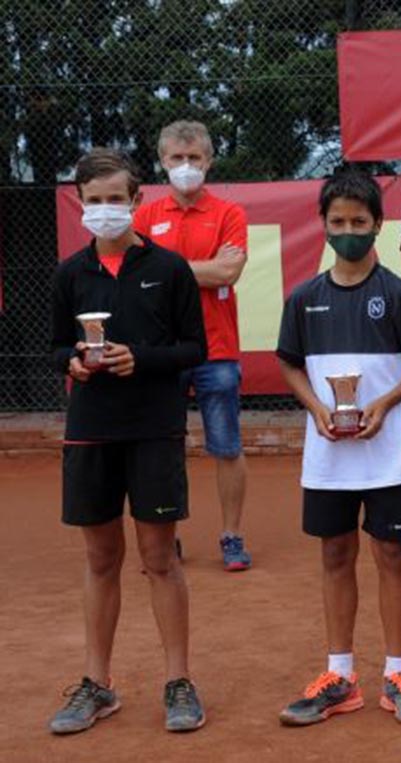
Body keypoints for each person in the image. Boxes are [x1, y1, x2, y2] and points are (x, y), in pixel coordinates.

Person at [48, 148, 208, 734]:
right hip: (90, 431)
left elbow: (195, 349)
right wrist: (76, 364)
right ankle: (98, 684)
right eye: (94, 202)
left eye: (116, 199)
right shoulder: (70, 274)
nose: (106, 210)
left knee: (159, 559)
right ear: (80, 204)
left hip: (153, 429)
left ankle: (179, 681)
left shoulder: (169, 269)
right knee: (99, 559)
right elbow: (58, 347)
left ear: (137, 201)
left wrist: (139, 358)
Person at [275, 172, 401, 727]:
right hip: (327, 457)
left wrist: (386, 403)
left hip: (386, 453)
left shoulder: (397, 293)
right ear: (323, 226)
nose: (348, 232)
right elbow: (290, 364)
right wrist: (317, 409)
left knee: (392, 556)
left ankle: (398, 673)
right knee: (334, 556)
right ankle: (340, 676)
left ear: (377, 226)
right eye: (338, 222)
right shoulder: (304, 298)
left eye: (359, 222)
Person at [134, 120, 252, 572]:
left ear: (209, 160)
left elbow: (228, 274)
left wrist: (166, 271)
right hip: (161, 351)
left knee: (226, 447)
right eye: (176, 159)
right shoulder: (143, 215)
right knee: (162, 447)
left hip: (216, 349)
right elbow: (139, 279)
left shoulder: (229, 214)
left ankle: (232, 536)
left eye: (194, 159)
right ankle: (169, 538)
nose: (186, 167)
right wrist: (198, 270)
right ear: (162, 162)